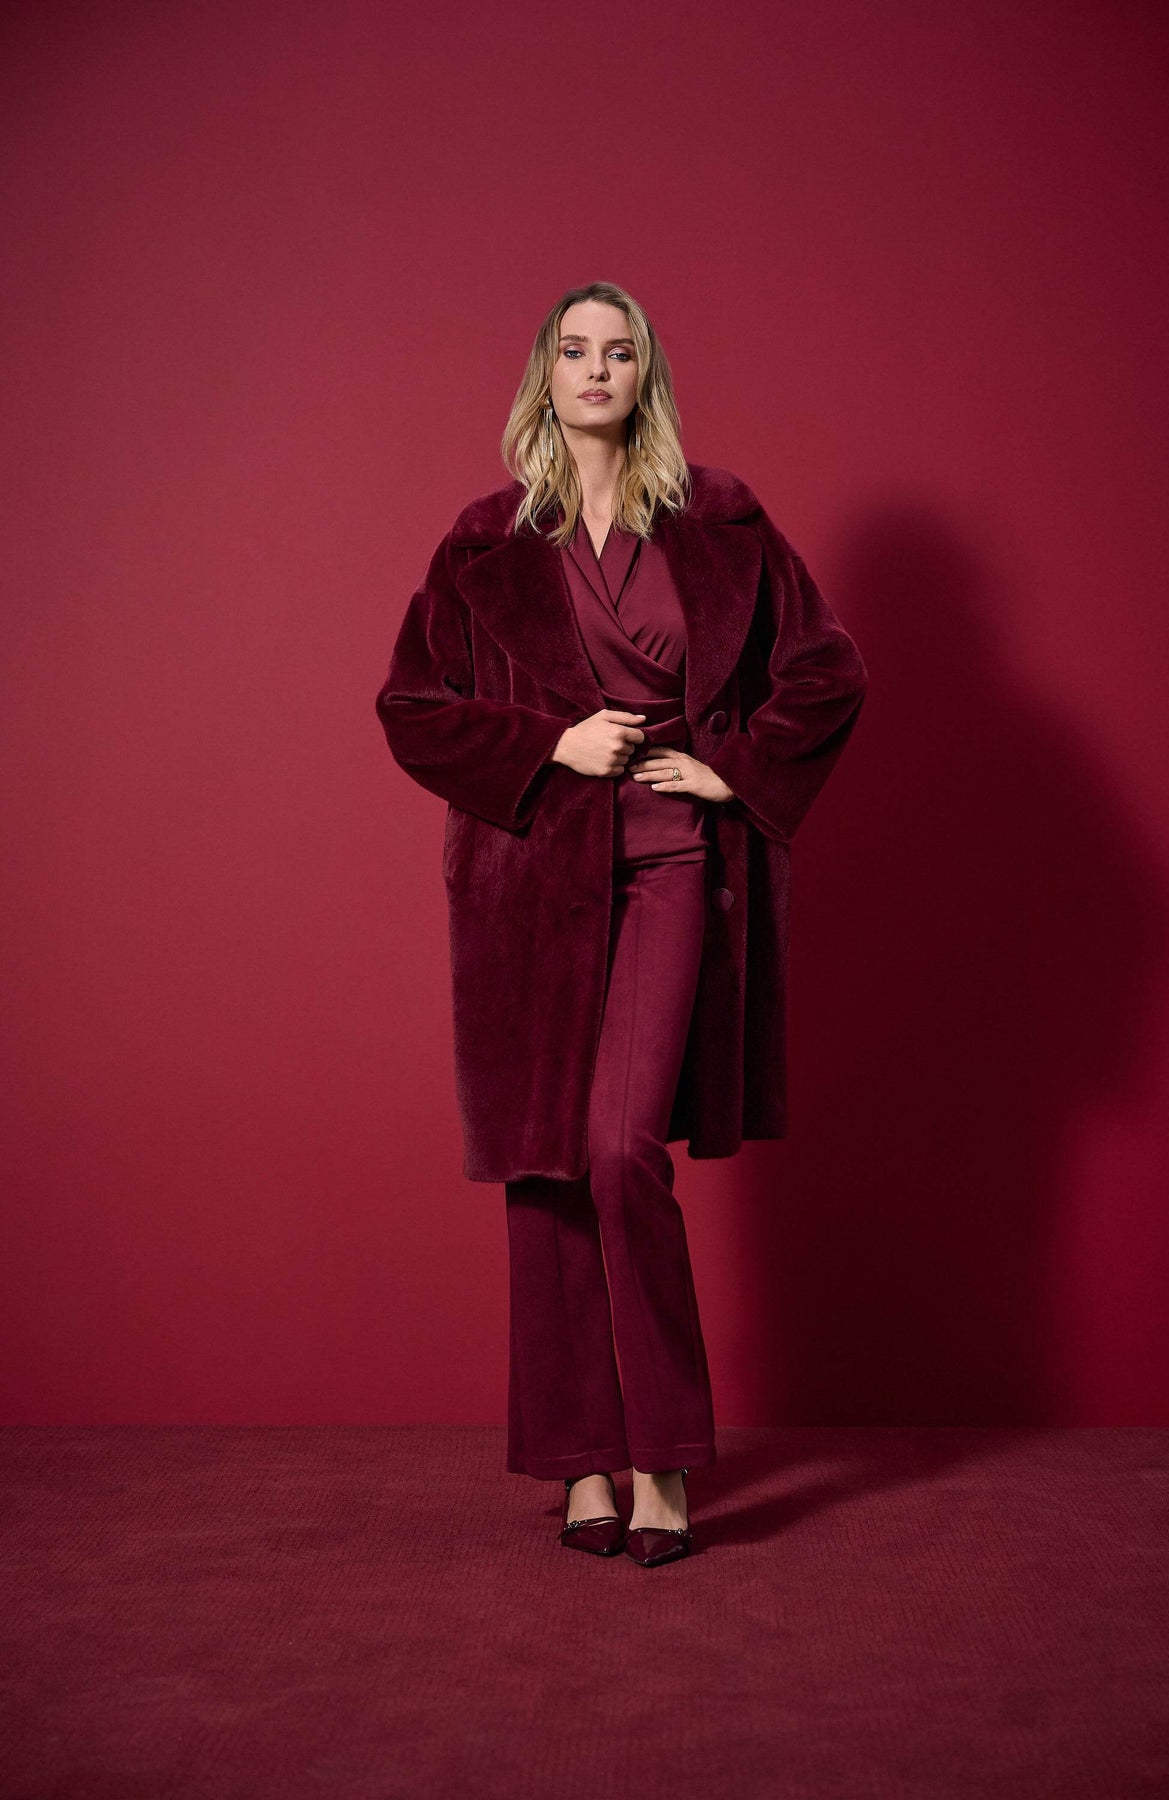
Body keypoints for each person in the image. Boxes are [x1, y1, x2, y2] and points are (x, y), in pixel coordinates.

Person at [375, 281, 868, 1567]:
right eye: (576, 350)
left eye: (621, 352)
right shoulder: (484, 541)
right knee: (546, 1162)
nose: (597, 370)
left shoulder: (720, 519)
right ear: (545, 374)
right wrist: (550, 744)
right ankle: (579, 1460)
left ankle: (662, 1458)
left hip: (669, 863)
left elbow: (827, 668)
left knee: (617, 1148)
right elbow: (412, 708)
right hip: (529, 879)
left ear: (646, 376)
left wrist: (733, 771)